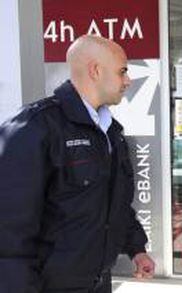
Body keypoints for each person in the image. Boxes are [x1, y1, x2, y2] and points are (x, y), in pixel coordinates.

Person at [0, 35, 155, 293]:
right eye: (122, 71)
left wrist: (136, 249)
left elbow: (115, 204)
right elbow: (9, 232)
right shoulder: (35, 127)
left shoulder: (111, 133)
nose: (128, 80)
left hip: (98, 283)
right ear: (95, 70)